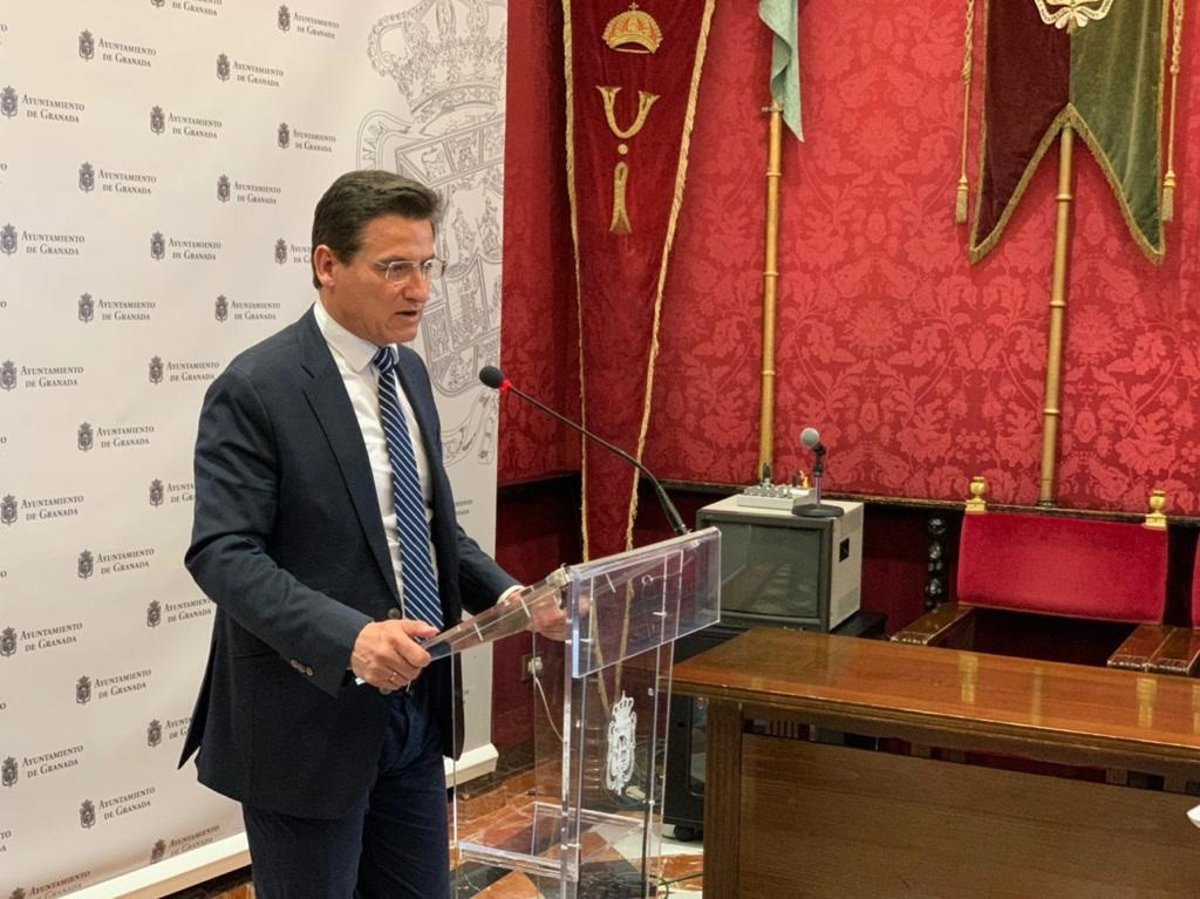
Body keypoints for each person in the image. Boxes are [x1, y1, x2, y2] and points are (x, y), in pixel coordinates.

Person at [179, 170, 524, 898]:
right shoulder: (258, 387)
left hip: (416, 704)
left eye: (427, 265)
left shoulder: (411, 375)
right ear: (327, 264)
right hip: (309, 717)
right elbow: (223, 554)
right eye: (394, 267)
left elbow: (426, 529)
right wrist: (351, 639)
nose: (419, 290)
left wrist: (509, 595)